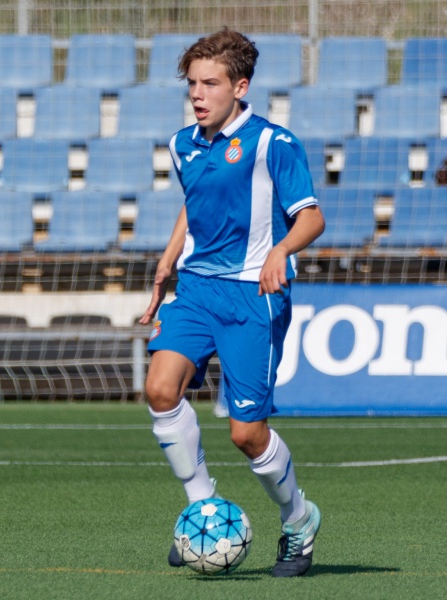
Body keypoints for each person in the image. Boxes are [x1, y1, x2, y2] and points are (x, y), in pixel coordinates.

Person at [139, 29, 325, 578]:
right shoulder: (182, 144)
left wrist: (281, 251)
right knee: (159, 388)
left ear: (240, 87)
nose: (198, 94)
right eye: (192, 84)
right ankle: (203, 507)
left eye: (210, 83)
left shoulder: (274, 144)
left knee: (246, 433)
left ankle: (299, 519)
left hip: (253, 295)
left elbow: (311, 217)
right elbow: (195, 205)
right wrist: (168, 258)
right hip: (196, 289)